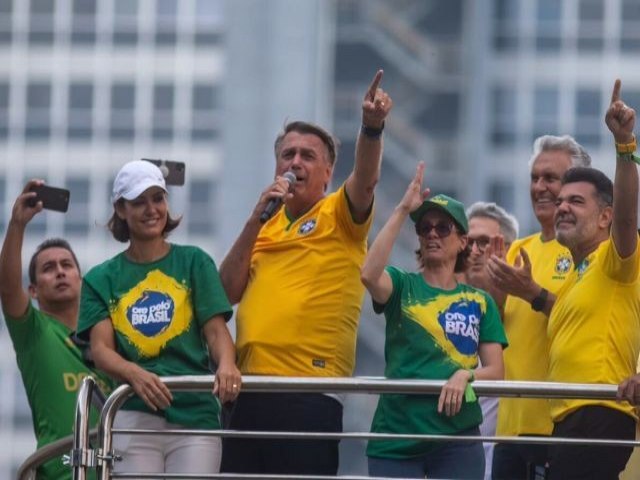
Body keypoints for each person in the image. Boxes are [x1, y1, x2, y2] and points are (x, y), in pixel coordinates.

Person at [218, 70, 392, 475]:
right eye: (288, 154)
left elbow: (365, 182)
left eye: (307, 156)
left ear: (329, 172)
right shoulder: (265, 223)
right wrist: (254, 222)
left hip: (308, 393)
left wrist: (371, 127)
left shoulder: (338, 214)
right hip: (247, 391)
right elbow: (226, 290)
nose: (295, 162)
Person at [488, 79, 640, 480]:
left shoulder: (615, 259)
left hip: (600, 412)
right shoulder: (578, 273)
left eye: (576, 201)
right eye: (560, 203)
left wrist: (625, 145)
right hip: (567, 420)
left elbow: (627, 213)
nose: (562, 208)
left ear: (605, 217)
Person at [77, 160, 240, 476]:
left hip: (196, 413)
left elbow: (217, 333)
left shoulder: (195, 262)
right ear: (121, 210)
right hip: (133, 410)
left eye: (158, 198)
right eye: (139, 202)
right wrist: (133, 373)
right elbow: (101, 350)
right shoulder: (100, 278)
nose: (151, 209)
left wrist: (227, 365)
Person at [361, 162, 508, 480]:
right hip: (396, 438)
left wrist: (465, 376)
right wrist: (402, 209)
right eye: (424, 227)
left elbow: (496, 372)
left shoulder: (480, 302)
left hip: (458, 440)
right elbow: (369, 274)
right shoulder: (402, 285)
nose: (431, 233)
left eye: (443, 228)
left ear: (463, 241)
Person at [487, 135, 590, 480]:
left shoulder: (589, 251)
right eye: (535, 178)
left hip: (555, 427)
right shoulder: (518, 248)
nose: (540, 187)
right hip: (508, 428)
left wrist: (532, 292)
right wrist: (495, 297)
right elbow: (496, 336)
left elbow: (587, 319)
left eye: (551, 178)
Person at [0, 180, 113, 480]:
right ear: (33, 291)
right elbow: (8, 289)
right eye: (49, 268)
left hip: (117, 470)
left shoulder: (109, 334)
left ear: (81, 279)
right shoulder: (33, 333)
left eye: (67, 265)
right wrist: (17, 224)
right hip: (59, 473)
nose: (60, 271)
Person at [457, 201, 519, 480]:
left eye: (486, 242)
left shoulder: (524, 307)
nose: (475, 251)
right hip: (448, 456)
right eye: (468, 242)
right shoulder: (439, 306)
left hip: (510, 456)